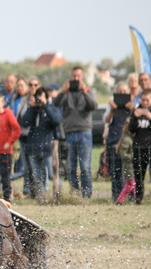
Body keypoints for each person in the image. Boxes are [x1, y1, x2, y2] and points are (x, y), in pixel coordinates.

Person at [53, 66, 98, 198]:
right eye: (74, 76)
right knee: (71, 165)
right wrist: (62, 91)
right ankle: (75, 192)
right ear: (71, 77)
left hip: (84, 132)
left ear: (82, 77)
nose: (76, 79)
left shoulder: (88, 91)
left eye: (78, 76)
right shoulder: (66, 93)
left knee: (84, 166)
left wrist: (85, 92)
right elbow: (55, 104)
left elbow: (94, 106)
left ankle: (87, 193)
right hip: (70, 132)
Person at [21, 87, 62, 201]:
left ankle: (58, 194)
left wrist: (45, 106)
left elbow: (57, 121)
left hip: (47, 147)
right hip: (34, 147)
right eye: (38, 98)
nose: (39, 100)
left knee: (52, 174)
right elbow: (24, 122)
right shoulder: (33, 111)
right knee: (37, 175)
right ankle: (41, 198)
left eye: (41, 97)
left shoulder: (51, 108)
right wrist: (32, 107)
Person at [129, 89, 151, 204]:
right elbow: (131, 129)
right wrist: (134, 117)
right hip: (139, 146)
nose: (144, 102)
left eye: (147, 100)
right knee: (139, 174)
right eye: (143, 100)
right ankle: (139, 198)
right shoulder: (137, 110)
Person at [103, 82, 132, 202]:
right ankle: (116, 195)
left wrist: (132, 109)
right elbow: (107, 120)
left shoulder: (132, 105)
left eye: (125, 91)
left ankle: (129, 195)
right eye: (120, 91)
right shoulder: (112, 105)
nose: (122, 94)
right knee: (116, 170)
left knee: (128, 171)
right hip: (114, 140)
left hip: (127, 142)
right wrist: (112, 110)